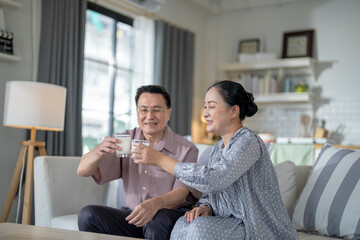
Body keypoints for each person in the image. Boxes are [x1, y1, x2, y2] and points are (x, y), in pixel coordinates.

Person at [131, 80, 298, 239]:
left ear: (234, 111)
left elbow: (213, 179)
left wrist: (160, 160)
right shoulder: (218, 148)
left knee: (199, 230)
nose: (205, 113)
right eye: (205, 107)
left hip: (255, 226)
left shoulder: (248, 141)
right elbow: (212, 193)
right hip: (230, 221)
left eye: (211, 106)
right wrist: (206, 207)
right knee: (183, 223)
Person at [77, 85, 200, 240]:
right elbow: (82, 171)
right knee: (88, 215)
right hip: (134, 215)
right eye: (144, 110)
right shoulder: (125, 140)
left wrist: (155, 204)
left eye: (156, 110)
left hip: (168, 215)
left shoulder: (187, 149)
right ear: (137, 113)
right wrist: (98, 150)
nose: (149, 116)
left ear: (168, 113)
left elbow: (181, 194)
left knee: (157, 221)